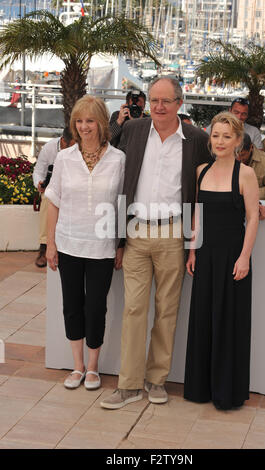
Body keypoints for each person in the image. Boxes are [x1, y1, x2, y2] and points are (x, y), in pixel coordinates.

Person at [100, 77, 212, 410]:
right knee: (134, 309)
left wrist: (253, 202)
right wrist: (118, 239)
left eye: (166, 100)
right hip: (135, 231)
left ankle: (156, 380)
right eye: (154, 100)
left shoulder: (197, 139)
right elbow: (118, 179)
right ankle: (129, 385)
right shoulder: (133, 131)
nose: (159, 107)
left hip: (173, 233)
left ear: (180, 102)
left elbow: (214, 179)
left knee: (167, 310)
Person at [45, 95, 125, 390]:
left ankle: (93, 368)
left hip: (102, 247)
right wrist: (50, 244)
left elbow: (122, 205)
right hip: (68, 243)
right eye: (79, 121)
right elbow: (53, 200)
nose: (84, 126)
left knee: (96, 307)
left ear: (102, 123)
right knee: (72, 305)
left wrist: (120, 244)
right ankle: (77, 366)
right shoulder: (64, 158)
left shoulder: (118, 159)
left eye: (90, 120)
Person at [184, 112, 259, 410]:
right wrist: (192, 251)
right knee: (202, 320)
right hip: (204, 257)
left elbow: (252, 218)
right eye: (216, 135)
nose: (220, 141)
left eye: (227, 136)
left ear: (238, 140)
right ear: (209, 137)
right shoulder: (201, 170)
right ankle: (200, 389)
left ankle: (227, 393)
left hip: (232, 258)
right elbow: (197, 215)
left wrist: (244, 257)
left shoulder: (246, 174)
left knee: (228, 323)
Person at [33, 128, 75, 267]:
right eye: (72, 145)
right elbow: (39, 171)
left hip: (72, 189)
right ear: (63, 141)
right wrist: (39, 183)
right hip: (52, 188)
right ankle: (44, 246)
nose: (75, 148)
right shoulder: (49, 148)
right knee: (47, 197)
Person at [237, 133, 265, 201]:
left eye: (243, 155)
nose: (239, 158)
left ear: (251, 147)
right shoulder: (227, 159)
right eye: (236, 155)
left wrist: (250, 193)